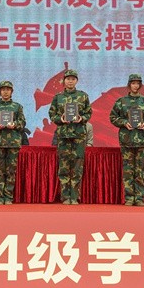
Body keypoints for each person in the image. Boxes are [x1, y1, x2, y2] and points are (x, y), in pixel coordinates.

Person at [110, 74, 144, 206]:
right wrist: (124, 122)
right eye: (133, 83)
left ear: (140, 85)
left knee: (140, 170)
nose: (135, 86)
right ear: (129, 85)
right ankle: (129, 198)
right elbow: (113, 117)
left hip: (142, 140)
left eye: (137, 83)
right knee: (128, 170)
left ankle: (140, 198)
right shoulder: (121, 101)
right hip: (127, 139)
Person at [48, 69, 92, 205]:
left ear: (76, 81)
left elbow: (88, 113)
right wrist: (60, 119)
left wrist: (81, 118)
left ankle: (75, 196)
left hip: (79, 135)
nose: (70, 81)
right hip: (63, 135)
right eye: (68, 79)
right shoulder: (58, 97)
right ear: (64, 81)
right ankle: (65, 196)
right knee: (64, 166)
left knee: (77, 166)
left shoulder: (83, 96)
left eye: (73, 79)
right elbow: (52, 114)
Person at [0, 80, 26, 204]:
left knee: (11, 171)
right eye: (3, 89)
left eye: (8, 89)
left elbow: (22, 122)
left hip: (13, 142)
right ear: (0, 91)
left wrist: (15, 124)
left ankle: (8, 197)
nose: (5, 92)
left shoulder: (17, 106)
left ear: (12, 91)